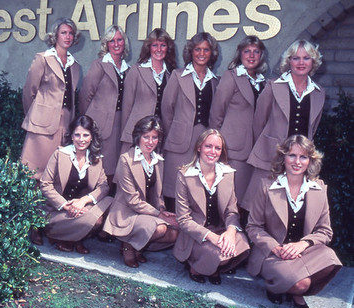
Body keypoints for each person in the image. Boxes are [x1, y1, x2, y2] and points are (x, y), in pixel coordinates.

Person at [246, 135, 341, 308]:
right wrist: (276, 248)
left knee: (331, 261)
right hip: (274, 253)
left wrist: (303, 244)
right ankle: (290, 288)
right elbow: (253, 226)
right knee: (302, 284)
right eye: (292, 155)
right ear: (283, 158)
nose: (297, 162)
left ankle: (286, 284)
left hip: (304, 251)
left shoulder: (319, 188)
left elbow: (325, 231)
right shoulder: (266, 186)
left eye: (303, 157)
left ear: (310, 161)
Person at [242, 39, 324, 212]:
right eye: (296, 58)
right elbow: (258, 122)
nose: (301, 63)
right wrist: (266, 146)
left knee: (287, 210)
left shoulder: (318, 93)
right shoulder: (273, 86)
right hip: (269, 157)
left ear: (313, 62)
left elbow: (313, 128)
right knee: (259, 208)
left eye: (306, 58)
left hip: (298, 162)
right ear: (288, 62)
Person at [173, 129, 250, 285]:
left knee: (244, 245)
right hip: (196, 234)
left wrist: (230, 232)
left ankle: (210, 265)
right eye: (208, 146)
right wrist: (211, 237)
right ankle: (197, 267)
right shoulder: (185, 175)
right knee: (218, 255)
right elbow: (183, 219)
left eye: (217, 148)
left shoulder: (227, 174)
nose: (213, 151)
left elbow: (232, 211)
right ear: (199, 147)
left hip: (221, 230)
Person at [103, 115, 178, 268]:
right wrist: (159, 215)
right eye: (146, 137)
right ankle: (128, 246)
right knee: (161, 228)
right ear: (138, 137)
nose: (151, 142)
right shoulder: (126, 160)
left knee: (174, 234)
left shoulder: (158, 159)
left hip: (147, 212)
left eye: (155, 137)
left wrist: (163, 209)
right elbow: (133, 201)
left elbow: (158, 194)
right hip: (127, 212)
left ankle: (138, 245)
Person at [209, 35, 268, 221]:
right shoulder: (231, 77)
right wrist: (216, 146)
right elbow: (216, 113)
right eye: (247, 51)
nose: (251, 56)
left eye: (256, 51)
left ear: (261, 55)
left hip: (255, 149)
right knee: (229, 198)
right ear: (239, 54)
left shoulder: (263, 82)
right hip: (233, 149)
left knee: (245, 198)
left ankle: (237, 236)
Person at [161, 32, 219, 212]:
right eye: (197, 49)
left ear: (212, 53)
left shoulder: (215, 81)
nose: (201, 53)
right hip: (178, 141)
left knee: (196, 186)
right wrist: (175, 133)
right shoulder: (177, 76)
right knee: (173, 186)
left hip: (202, 141)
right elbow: (166, 109)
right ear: (191, 52)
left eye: (206, 50)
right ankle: (171, 232)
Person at [40, 115, 113, 254]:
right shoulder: (60, 154)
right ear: (72, 136)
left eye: (86, 135)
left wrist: (83, 201)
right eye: (77, 135)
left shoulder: (96, 158)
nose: (81, 139)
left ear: (92, 137)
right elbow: (45, 184)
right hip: (57, 211)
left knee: (110, 202)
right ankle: (65, 237)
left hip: (82, 209)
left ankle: (74, 237)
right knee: (95, 221)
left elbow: (104, 186)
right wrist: (66, 205)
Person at [21, 17, 81, 181]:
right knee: (35, 172)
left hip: (65, 124)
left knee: (57, 172)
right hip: (42, 124)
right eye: (63, 33)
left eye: (71, 33)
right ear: (55, 35)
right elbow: (29, 92)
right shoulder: (43, 59)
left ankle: (51, 205)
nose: (68, 37)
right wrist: (36, 115)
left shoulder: (75, 66)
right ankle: (32, 206)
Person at [79, 25, 130, 187]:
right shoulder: (99, 65)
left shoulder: (129, 69)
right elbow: (85, 95)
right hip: (100, 124)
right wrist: (90, 121)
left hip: (120, 122)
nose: (116, 44)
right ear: (106, 44)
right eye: (111, 41)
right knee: (101, 165)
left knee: (115, 166)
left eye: (119, 40)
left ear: (124, 42)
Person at [120, 28, 177, 153]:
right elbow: (127, 106)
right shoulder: (136, 71)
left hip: (160, 135)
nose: (159, 49)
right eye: (155, 45)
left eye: (163, 45)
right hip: (136, 134)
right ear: (148, 47)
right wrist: (126, 134)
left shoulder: (172, 75)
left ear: (168, 48)